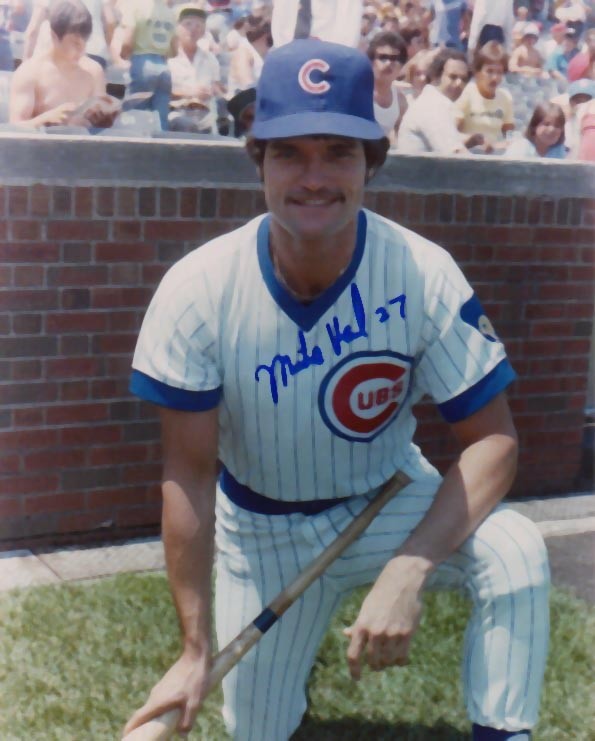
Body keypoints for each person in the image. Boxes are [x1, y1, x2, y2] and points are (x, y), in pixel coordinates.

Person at [124, 37, 550, 741]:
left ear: (371, 161)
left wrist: (409, 566)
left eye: (338, 152)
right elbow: (190, 473)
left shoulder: (422, 271)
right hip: (260, 531)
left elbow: (494, 442)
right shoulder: (198, 287)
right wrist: (194, 649)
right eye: (290, 152)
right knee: (258, 730)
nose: (314, 177)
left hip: (385, 500)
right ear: (258, 157)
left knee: (513, 549)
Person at [9, 0, 118, 128]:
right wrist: (45, 120)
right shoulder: (29, 73)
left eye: (85, 42)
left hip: (83, 141)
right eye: (75, 43)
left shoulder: (94, 72)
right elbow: (14, 128)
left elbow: (99, 129)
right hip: (43, 141)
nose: (82, 50)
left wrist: (106, 119)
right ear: (54, 36)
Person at [397, 47, 484, 153]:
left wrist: (470, 141)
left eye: (464, 79)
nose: (459, 83)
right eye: (453, 77)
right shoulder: (432, 106)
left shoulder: (433, 101)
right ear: (436, 77)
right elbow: (454, 154)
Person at [117, 0, 176, 130]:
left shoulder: (134, 6)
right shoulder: (169, 12)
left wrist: (123, 55)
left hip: (142, 61)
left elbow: (127, 41)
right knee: (161, 118)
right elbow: (175, 49)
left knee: (135, 116)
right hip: (163, 66)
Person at [167, 5, 224, 134]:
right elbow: (161, 94)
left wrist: (215, 91)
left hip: (205, 116)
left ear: (203, 32)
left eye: (198, 26)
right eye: (188, 24)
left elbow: (216, 88)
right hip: (176, 114)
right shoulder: (167, 58)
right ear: (177, 28)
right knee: (186, 126)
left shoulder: (210, 59)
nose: (193, 29)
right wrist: (190, 93)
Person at [455, 40, 515, 153]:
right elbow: (452, 133)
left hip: (493, 157)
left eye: (499, 72)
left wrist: (505, 144)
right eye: (489, 71)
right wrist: (473, 141)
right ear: (477, 72)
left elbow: (509, 134)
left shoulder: (506, 97)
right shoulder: (467, 93)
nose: (495, 78)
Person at [368, 30, 409, 146]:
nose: (388, 63)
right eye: (383, 58)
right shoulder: (359, 93)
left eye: (394, 59)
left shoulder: (400, 101)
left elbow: (401, 138)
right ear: (371, 61)